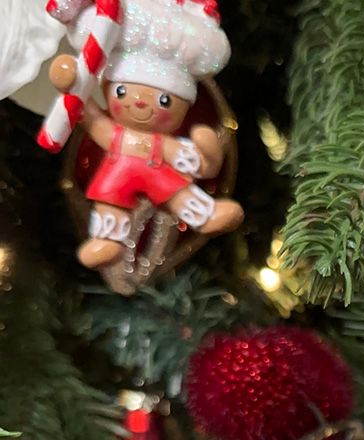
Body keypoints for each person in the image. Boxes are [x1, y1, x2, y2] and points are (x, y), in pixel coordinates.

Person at [49, 0, 242, 269]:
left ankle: (205, 214)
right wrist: (69, 82)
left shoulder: (163, 143)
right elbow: (87, 113)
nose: (139, 103)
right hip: (117, 174)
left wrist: (207, 151)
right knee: (109, 201)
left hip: (157, 171)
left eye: (164, 100)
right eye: (122, 92)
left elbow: (202, 167)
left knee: (178, 191)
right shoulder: (114, 133)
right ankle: (108, 239)